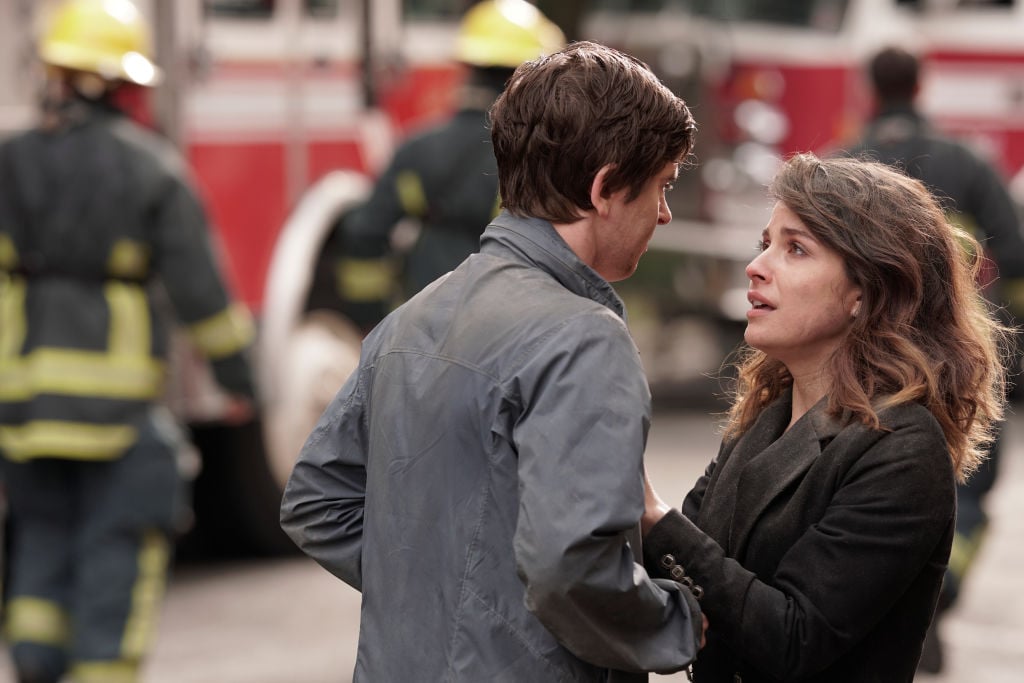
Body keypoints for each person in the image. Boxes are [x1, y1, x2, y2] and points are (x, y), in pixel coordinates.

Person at [281, 41, 705, 681]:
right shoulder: (584, 340)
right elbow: (571, 568)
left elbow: (316, 500)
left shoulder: (412, 318)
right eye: (662, 186)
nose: (665, 214)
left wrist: (441, 595)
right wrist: (673, 621)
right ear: (606, 188)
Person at [640, 153, 1009, 682]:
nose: (757, 265)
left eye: (795, 249)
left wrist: (653, 515)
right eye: (765, 243)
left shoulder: (902, 447)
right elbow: (683, 563)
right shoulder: (767, 415)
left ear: (866, 290)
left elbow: (794, 638)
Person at [0, 1, 256, 682]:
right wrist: (242, 381)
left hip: (22, 405)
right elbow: (202, 296)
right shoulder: (152, 169)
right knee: (118, 542)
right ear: (121, 83)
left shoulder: (7, 160)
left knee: (39, 534)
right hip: (115, 411)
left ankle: (33, 661)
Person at [844, 45, 1024, 673]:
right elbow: (1018, 251)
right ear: (921, 87)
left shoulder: (842, 166)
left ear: (870, 86)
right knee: (965, 495)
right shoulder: (966, 164)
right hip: (952, 361)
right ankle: (934, 599)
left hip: (858, 361)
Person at [331, 0, 565, 329]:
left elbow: (364, 234)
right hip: (505, 330)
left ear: (468, 66)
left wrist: (378, 321)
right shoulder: (538, 158)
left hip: (423, 325)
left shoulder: (417, 149)